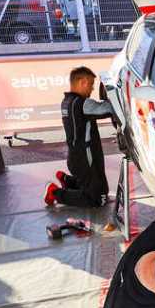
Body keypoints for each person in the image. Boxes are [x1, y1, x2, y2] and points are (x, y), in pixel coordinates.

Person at [44, 66, 112, 208]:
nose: (92, 89)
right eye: (91, 84)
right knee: (98, 199)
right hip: (86, 159)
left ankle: (67, 181)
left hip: (77, 157)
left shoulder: (67, 102)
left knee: (101, 190)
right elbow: (108, 109)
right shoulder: (83, 103)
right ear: (82, 82)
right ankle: (55, 193)